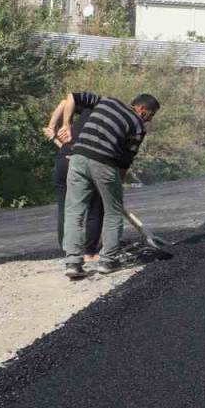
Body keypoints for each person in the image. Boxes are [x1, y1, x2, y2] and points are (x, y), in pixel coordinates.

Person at [62, 92, 161, 279]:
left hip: (78, 158)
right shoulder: (138, 126)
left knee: (74, 211)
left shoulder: (106, 101)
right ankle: (108, 261)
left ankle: (73, 263)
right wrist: (115, 188)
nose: (149, 119)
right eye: (151, 114)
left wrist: (66, 124)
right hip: (105, 164)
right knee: (113, 212)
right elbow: (125, 161)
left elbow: (72, 96)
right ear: (141, 108)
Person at [44, 93, 104, 261]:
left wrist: (52, 129)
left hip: (63, 160)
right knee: (95, 206)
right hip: (83, 163)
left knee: (65, 208)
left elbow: (65, 101)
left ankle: (68, 251)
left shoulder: (84, 114)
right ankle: (89, 252)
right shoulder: (103, 118)